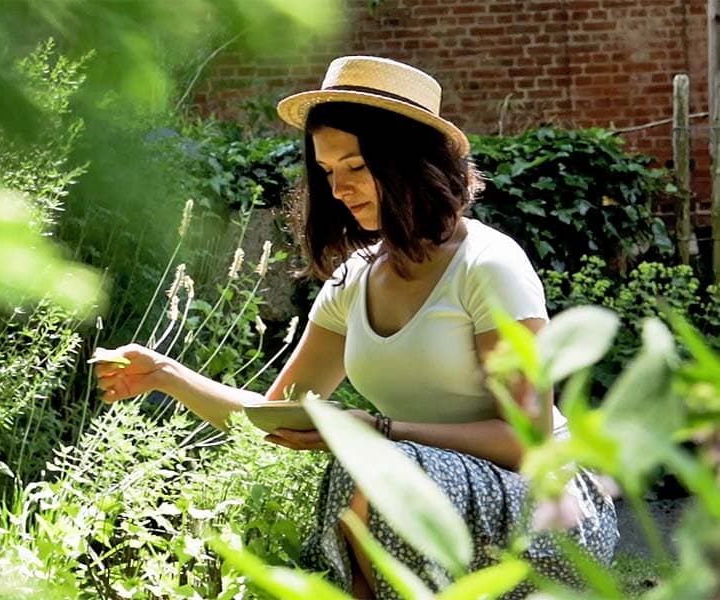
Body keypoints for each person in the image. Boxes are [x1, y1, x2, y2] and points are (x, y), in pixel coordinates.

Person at [95, 56, 618, 599]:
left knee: (377, 465)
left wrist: (381, 430)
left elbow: (528, 441)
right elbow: (276, 417)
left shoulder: (488, 266)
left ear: (409, 160)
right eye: (327, 172)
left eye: (356, 166)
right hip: (426, 497)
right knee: (373, 468)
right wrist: (164, 374)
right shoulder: (354, 280)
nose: (339, 188)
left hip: (550, 512)